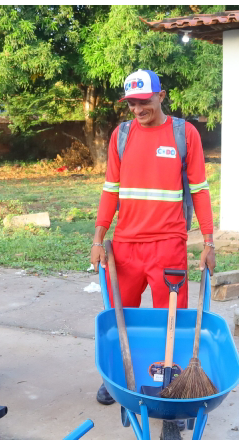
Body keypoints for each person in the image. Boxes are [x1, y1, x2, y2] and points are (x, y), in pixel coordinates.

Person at [90, 69, 215, 405]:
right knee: (121, 318)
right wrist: (99, 238)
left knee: (170, 321)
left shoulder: (183, 134)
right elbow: (110, 190)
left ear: (161, 96)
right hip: (126, 248)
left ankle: (170, 384)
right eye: (131, 103)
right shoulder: (121, 135)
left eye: (143, 101)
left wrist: (208, 241)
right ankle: (116, 379)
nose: (137, 108)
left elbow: (201, 190)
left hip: (168, 247)